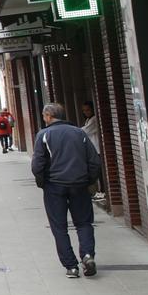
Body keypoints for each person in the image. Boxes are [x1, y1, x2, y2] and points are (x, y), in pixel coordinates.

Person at [31, 102, 102, 278]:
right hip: (79, 185)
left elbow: (37, 165)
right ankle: (87, 255)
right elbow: (94, 161)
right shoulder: (80, 133)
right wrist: (90, 180)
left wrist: (42, 183)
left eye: (44, 115)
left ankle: (71, 266)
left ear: (48, 116)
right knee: (84, 223)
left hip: (54, 186)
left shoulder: (44, 135)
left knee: (59, 227)